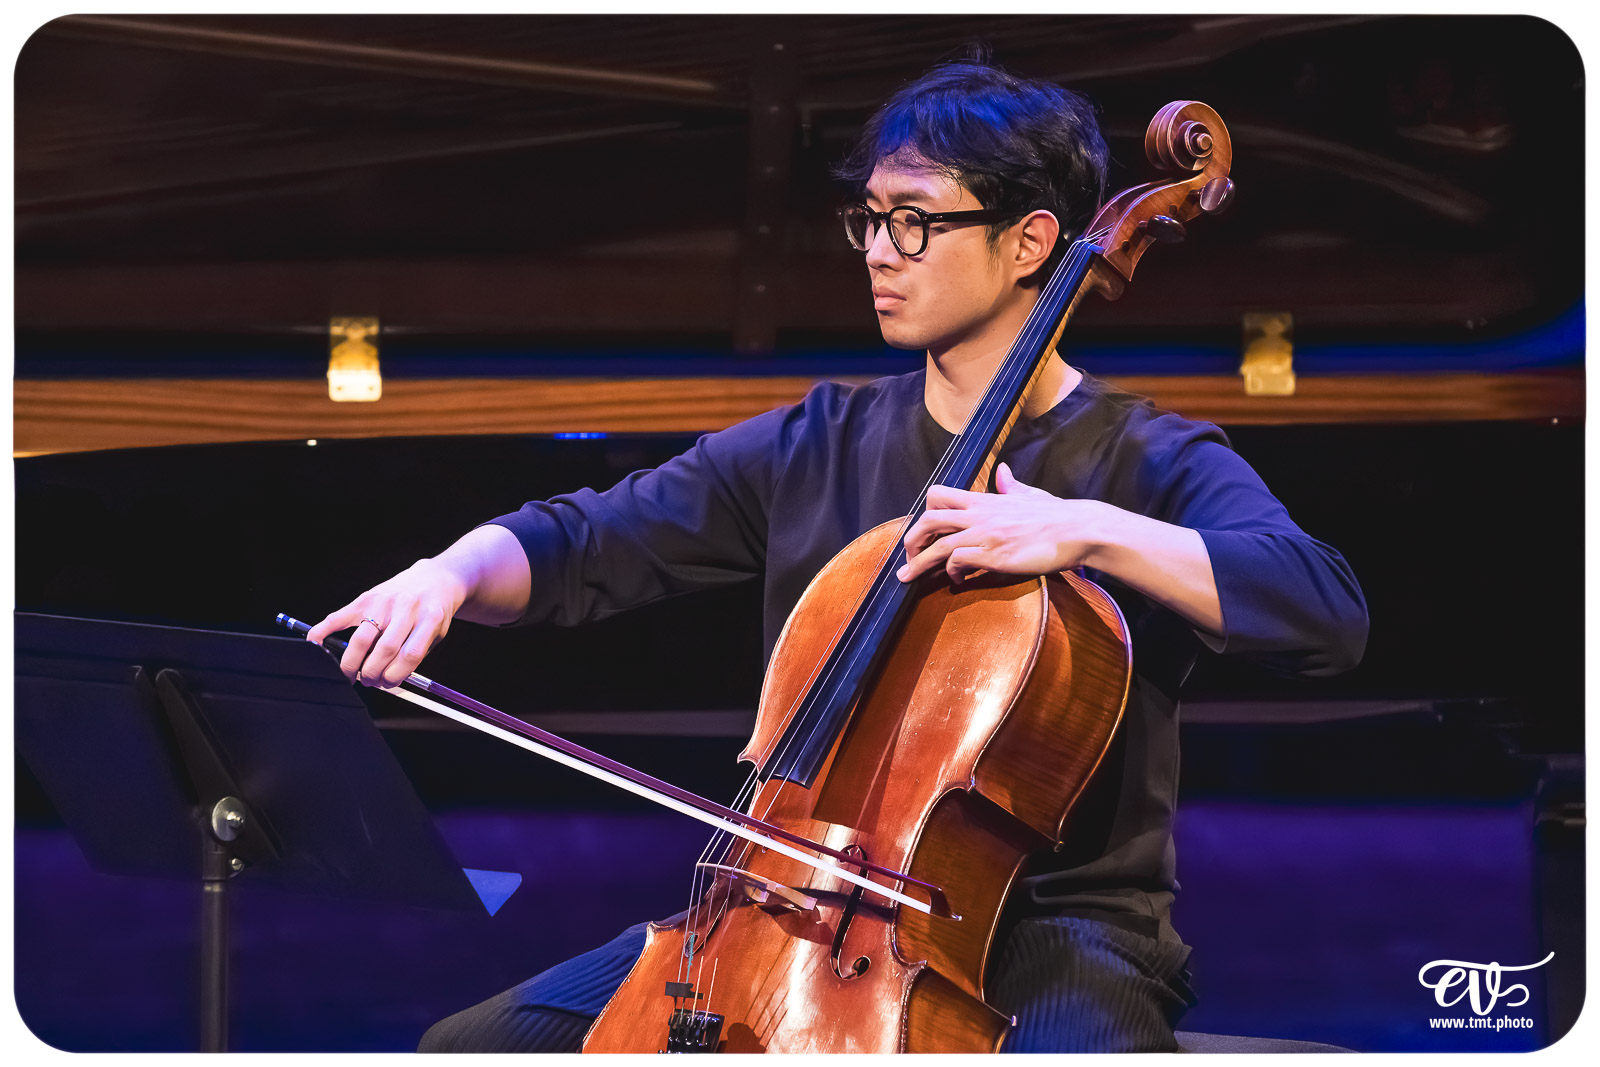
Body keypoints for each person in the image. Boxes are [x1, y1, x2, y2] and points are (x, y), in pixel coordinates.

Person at [309, 55, 1367, 1053]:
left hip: (1058, 927)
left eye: (914, 222)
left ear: (1032, 241)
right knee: (475, 1046)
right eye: (870, 216)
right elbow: (588, 539)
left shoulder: (1147, 454)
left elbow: (1323, 608)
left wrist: (1092, 530)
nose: (875, 249)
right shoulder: (818, 439)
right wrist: (446, 573)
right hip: (789, 897)